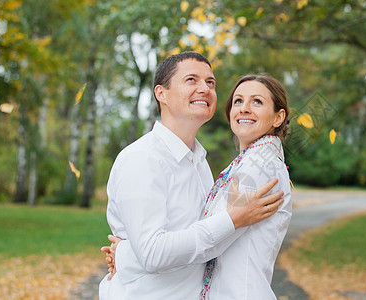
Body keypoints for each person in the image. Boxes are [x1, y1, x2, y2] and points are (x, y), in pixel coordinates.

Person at [98, 52, 285, 300]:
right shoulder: (141, 158)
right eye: (191, 80)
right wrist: (232, 219)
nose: (204, 89)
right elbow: (154, 253)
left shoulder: (200, 163)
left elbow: (210, 244)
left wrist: (125, 255)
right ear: (161, 94)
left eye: (210, 82)